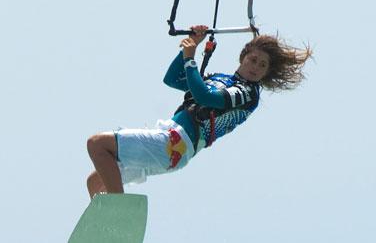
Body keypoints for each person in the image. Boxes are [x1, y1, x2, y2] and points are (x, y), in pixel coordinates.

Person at [86, 25, 312, 198]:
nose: (256, 67)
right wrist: (191, 44)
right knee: (96, 181)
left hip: (176, 143)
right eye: (253, 60)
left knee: (98, 144)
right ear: (243, 56)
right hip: (171, 142)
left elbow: (205, 97)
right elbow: (173, 79)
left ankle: (118, 213)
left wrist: (190, 58)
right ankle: (104, 226)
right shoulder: (218, 78)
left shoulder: (247, 93)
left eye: (262, 66)